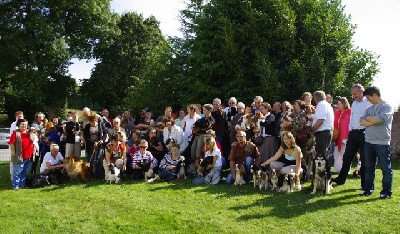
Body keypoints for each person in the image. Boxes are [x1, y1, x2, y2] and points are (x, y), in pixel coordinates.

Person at [332, 84, 371, 187]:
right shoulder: (354, 103)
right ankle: (341, 179)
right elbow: (352, 118)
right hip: (353, 133)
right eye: (352, 94)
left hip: (364, 132)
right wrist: (350, 130)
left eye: (355, 94)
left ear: (361, 92)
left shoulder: (368, 103)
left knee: (364, 158)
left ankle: (364, 184)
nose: (353, 96)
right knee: (347, 157)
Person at [359, 86, 394, 199]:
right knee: (369, 167)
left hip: (382, 143)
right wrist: (372, 120)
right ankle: (368, 189)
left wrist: (369, 120)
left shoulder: (387, 106)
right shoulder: (369, 109)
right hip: (368, 141)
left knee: (385, 168)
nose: (367, 100)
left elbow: (379, 120)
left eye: (368, 97)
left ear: (375, 94)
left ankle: (386, 192)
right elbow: (361, 122)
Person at [8, 119, 34, 190]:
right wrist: (14, 153)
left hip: (29, 156)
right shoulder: (15, 133)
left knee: (24, 171)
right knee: (17, 172)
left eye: (25, 124)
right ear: (19, 125)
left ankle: (21, 185)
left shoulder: (30, 133)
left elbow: (35, 140)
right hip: (19, 156)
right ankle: (15, 186)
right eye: (22, 124)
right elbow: (11, 143)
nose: (24, 126)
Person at [191, 104, 215, 169]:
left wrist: (199, 126)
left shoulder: (211, 119)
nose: (203, 111)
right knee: (192, 151)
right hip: (197, 135)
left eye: (204, 110)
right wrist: (199, 126)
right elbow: (195, 124)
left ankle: (198, 167)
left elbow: (206, 126)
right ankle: (195, 166)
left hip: (203, 136)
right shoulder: (202, 118)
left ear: (209, 110)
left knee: (198, 153)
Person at [83, 113, 108, 178]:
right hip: (90, 145)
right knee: (90, 160)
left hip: (99, 145)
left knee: (99, 160)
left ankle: (99, 175)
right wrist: (93, 143)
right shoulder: (87, 126)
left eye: (93, 121)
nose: (92, 123)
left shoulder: (100, 125)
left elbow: (105, 134)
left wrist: (102, 140)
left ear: (95, 120)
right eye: (91, 122)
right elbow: (86, 137)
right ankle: (90, 175)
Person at [311, 90, 334, 156]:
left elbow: (320, 120)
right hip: (327, 132)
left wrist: (312, 130)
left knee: (320, 155)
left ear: (316, 98)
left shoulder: (321, 104)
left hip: (322, 133)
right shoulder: (328, 105)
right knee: (323, 154)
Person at [332, 97, 351, 173]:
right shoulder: (337, 113)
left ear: (344, 104)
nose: (338, 105)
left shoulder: (350, 112)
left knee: (345, 153)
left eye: (340, 104)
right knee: (336, 153)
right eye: (337, 103)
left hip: (346, 135)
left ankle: (345, 169)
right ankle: (337, 169)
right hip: (337, 135)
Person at [9, 111, 24, 180]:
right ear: (16, 117)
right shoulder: (13, 124)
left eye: (20, 116)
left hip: (23, 144)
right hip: (14, 144)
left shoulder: (25, 123)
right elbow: (13, 134)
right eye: (18, 116)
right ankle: (13, 175)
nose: (19, 117)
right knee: (14, 159)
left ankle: (21, 175)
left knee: (22, 160)